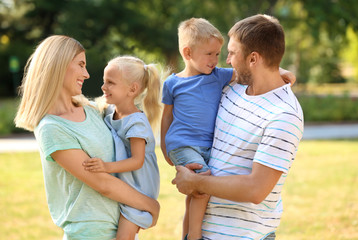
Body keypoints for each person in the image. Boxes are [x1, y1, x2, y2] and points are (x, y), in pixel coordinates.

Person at [161, 18, 296, 240]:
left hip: (243, 235)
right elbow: (168, 115)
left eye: (230, 53)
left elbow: (256, 189)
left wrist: (196, 182)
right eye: (213, 54)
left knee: (197, 190)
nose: (224, 60)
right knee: (195, 194)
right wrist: (166, 150)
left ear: (253, 58)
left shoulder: (283, 114)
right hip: (206, 225)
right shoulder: (231, 88)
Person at [14, 35, 159, 240]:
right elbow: (103, 184)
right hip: (90, 234)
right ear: (59, 65)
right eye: (81, 65)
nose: (87, 74)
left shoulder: (91, 110)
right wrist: (150, 205)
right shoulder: (52, 128)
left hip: (120, 227)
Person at [82, 56, 161, 240]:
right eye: (104, 81)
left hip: (140, 187)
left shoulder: (136, 123)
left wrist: (106, 167)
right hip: (127, 183)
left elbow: (137, 160)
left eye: (110, 83)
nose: (103, 87)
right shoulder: (111, 110)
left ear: (132, 89)